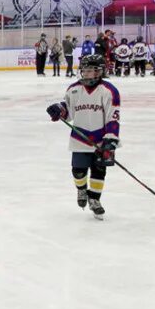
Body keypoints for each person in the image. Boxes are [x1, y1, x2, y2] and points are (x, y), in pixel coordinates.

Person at [45, 54, 119, 220]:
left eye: (90, 71)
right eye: (84, 70)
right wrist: (59, 109)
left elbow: (113, 116)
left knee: (99, 172)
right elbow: (69, 111)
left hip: (101, 140)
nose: (86, 74)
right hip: (80, 139)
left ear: (99, 71)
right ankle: (81, 190)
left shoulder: (109, 91)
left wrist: (111, 140)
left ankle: (95, 200)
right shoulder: (73, 89)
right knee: (78, 171)